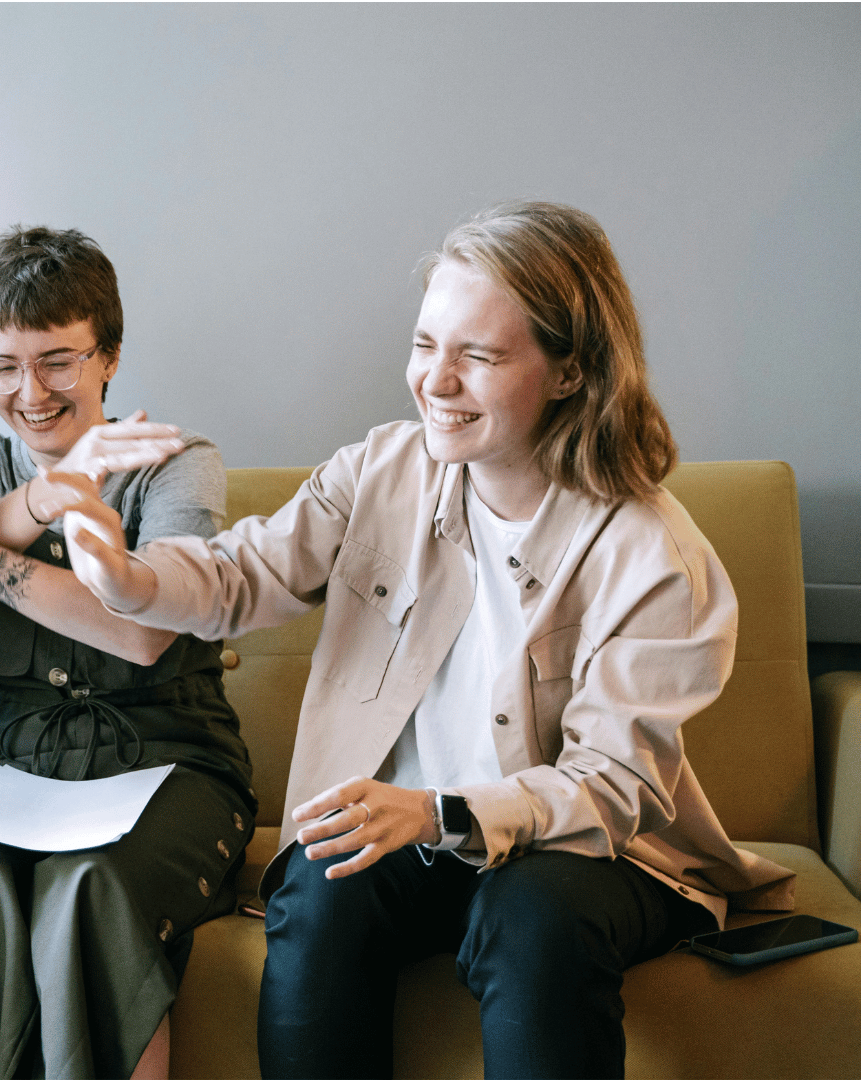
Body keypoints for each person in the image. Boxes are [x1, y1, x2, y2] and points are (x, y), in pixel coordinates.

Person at [53, 202, 797, 1079]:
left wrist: (441, 812)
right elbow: (240, 574)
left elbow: (611, 789)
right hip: (413, 840)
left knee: (532, 916)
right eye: (425, 345)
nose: (433, 381)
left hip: (596, 854)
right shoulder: (382, 467)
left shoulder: (655, 557)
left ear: (569, 372)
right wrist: (125, 576)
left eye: (478, 356)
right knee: (319, 884)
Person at [0, 227, 258, 1080]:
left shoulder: (178, 465)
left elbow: (141, 632)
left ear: (108, 357)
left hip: (172, 767)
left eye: (57, 361)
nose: (28, 392)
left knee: (88, 893)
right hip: (18, 773)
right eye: (2, 365)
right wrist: (40, 497)